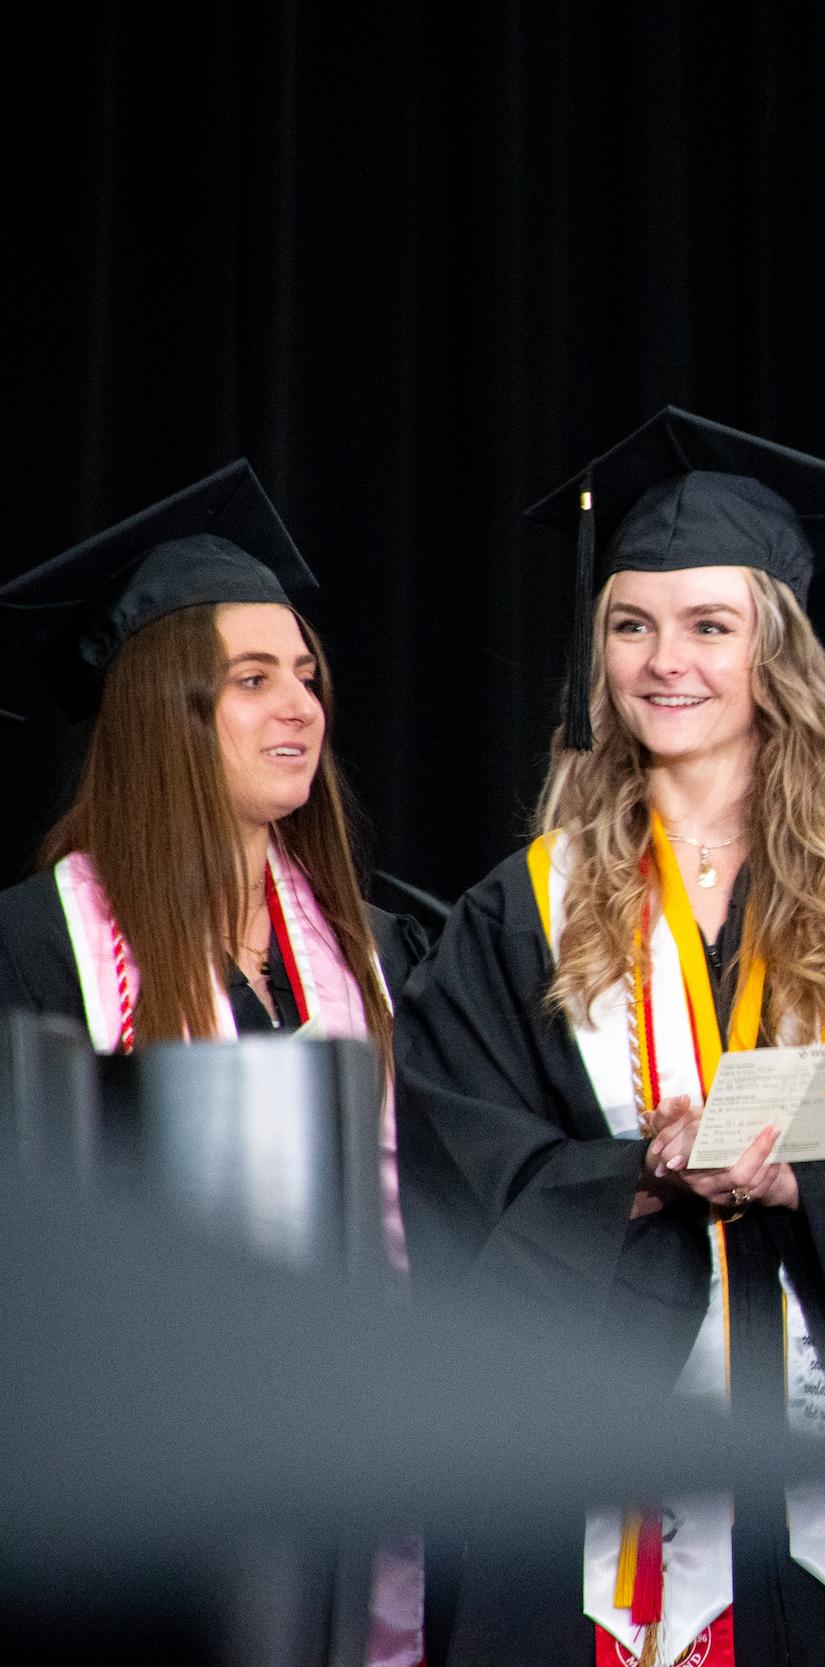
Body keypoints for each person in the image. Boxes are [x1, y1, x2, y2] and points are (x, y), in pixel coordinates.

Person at [393, 408, 825, 1667]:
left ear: (775, 651)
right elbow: (452, 1157)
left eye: (708, 625)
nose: (662, 660)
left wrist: (813, 1181)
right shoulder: (522, 908)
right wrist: (627, 1175)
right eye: (631, 625)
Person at [0, 458, 431, 1667]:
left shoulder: (379, 948)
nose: (299, 704)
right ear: (164, 708)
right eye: (252, 679)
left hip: (363, 1479)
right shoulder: (36, 947)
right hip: (136, 1492)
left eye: (305, 674)